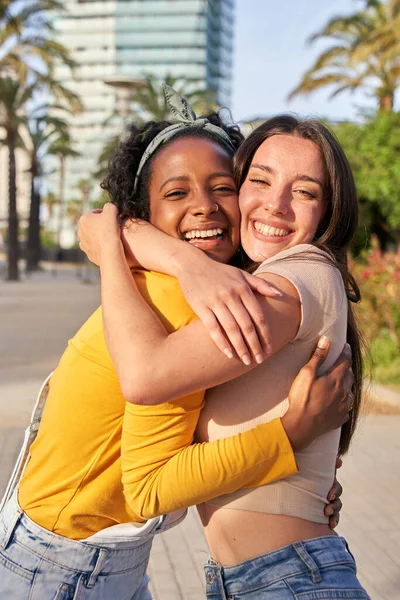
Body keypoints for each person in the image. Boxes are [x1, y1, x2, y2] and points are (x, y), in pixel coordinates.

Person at [0, 89, 349, 600]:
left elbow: (102, 227)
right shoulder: (186, 297)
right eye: (177, 193)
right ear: (145, 210)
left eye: (222, 186)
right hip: (66, 563)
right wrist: (287, 439)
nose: (204, 206)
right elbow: (150, 480)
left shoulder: (200, 290)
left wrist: (304, 475)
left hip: (66, 544)